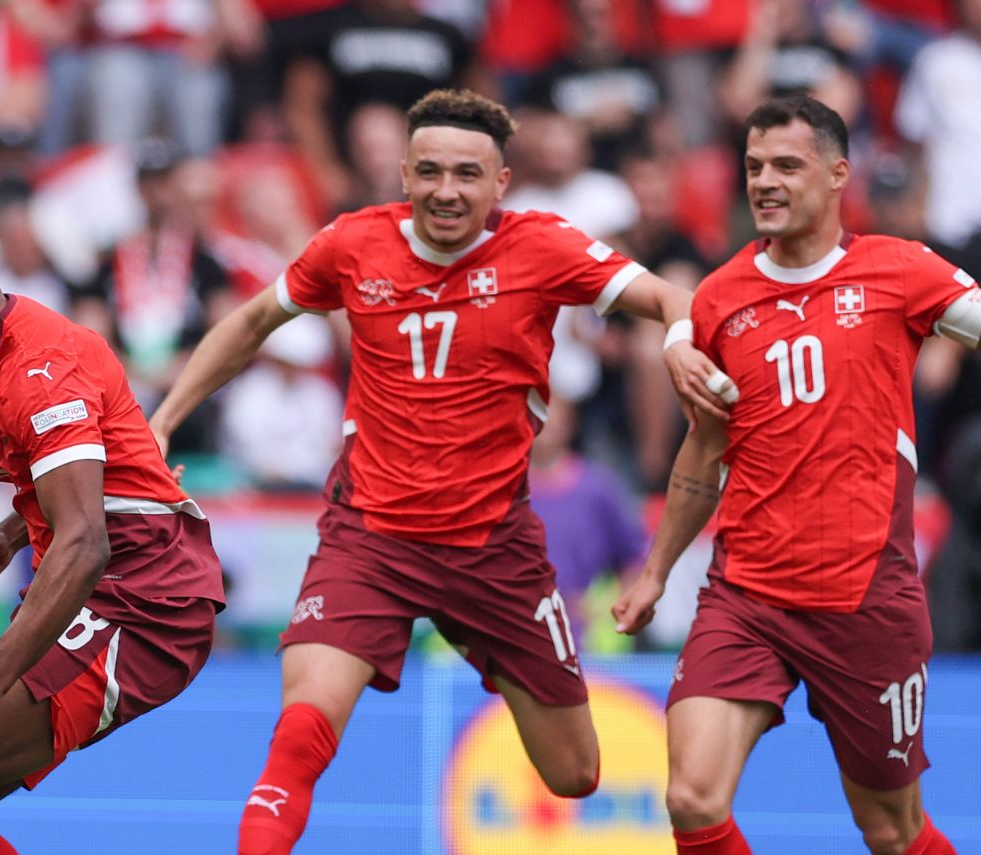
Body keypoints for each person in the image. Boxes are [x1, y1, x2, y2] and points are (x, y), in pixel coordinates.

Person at [147, 88, 736, 855]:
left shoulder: (541, 246)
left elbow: (671, 296)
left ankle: (490, 648)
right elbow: (256, 319)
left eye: (467, 174)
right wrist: (164, 419)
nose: (446, 191)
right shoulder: (353, 243)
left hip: (495, 551)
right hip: (370, 540)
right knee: (299, 735)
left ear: (501, 183)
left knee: (576, 773)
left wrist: (679, 342)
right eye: (429, 171)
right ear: (403, 174)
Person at [613, 94, 981, 855]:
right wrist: (656, 572)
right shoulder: (720, 298)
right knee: (691, 798)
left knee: (891, 830)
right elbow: (703, 449)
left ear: (837, 174)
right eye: (753, 166)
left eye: (786, 165)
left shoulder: (899, 270)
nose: (765, 182)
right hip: (746, 595)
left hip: (866, 599)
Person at [0, 202, 225, 855]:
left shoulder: (38, 369)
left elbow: (84, 544)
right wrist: (7, 535)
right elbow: (86, 477)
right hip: (119, 589)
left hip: (141, 604)